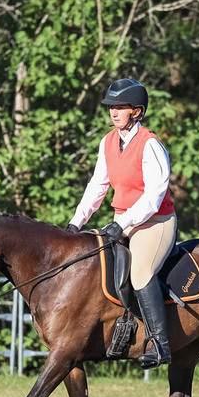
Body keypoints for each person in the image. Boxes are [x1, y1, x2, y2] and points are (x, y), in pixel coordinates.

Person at [66, 78, 176, 369]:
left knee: (139, 273)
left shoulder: (150, 145)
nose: (113, 112)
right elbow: (97, 186)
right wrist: (75, 224)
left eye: (120, 107)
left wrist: (122, 223)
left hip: (155, 222)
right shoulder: (108, 141)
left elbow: (153, 198)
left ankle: (159, 344)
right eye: (111, 107)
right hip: (123, 220)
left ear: (137, 112)